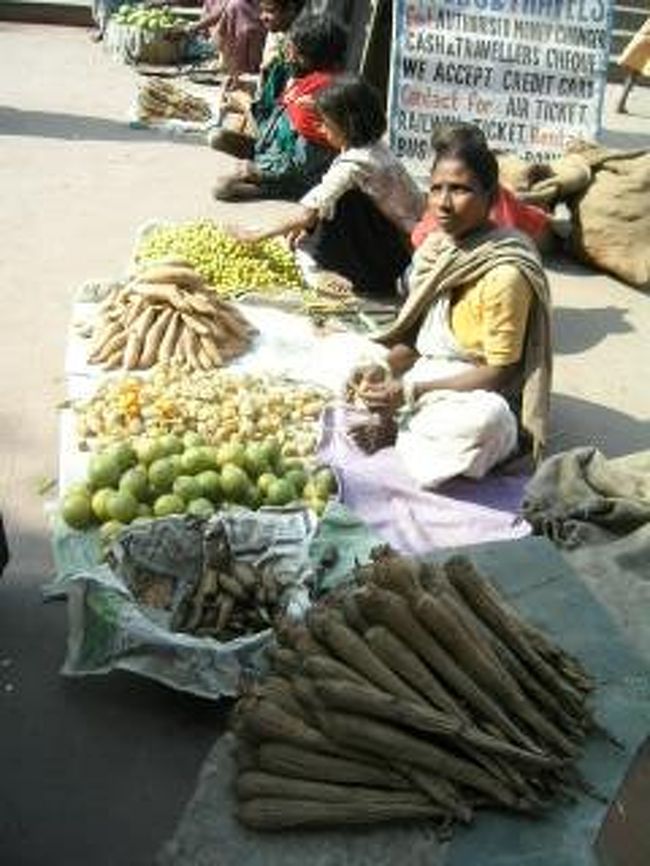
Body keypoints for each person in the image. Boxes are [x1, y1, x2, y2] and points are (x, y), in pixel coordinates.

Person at [347, 124, 552, 489]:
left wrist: (409, 394)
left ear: (491, 198)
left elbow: (500, 374)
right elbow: (419, 341)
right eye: (436, 188)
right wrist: (380, 366)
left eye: (459, 190)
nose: (442, 202)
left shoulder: (505, 272)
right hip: (430, 371)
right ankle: (407, 421)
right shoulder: (441, 249)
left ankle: (401, 430)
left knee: (483, 425)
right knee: (345, 356)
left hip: (475, 390)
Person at [228, 76, 427, 297]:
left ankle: (348, 276)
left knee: (335, 202)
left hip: (392, 262)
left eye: (326, 123)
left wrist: (257, 234)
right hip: (402, 248)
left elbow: (307, 213)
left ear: (347, 126)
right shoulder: (374, 147)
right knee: (324, 201)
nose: (321, 130)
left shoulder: (356, 164)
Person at [211, 15, 347, 202]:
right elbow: (271, 126)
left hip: (298, 173)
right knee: (217, 137)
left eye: (294, 53)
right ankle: (262, 168)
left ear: (310, 57)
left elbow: (301, 163)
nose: (288, 57)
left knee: (223, 188)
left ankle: (287, 192)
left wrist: (259, 169)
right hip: (276, 152)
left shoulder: (321, 96)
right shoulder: (301, 80)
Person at [207, 0, 307, 153]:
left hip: (281, 138)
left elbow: (280, 110)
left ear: (291, 10)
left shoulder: (297, 56)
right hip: (271, 123)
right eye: (262, 11)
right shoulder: (277, 37)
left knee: (218, 137)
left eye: (270, 11)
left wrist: (243, 102)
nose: (262, 17)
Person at [186, 0, 265, 79]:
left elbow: (221, 10)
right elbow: (207, 12)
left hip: (249, 20)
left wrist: (196, 26)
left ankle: (245, 68)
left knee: (237, 8)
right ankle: (233, 67)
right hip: (229, 32)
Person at [615, 18, 650, 114]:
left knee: (633, 73)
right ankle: (620, 104)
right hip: (645, 38)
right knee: (634, 72)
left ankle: (621, 103)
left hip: (644, 38)